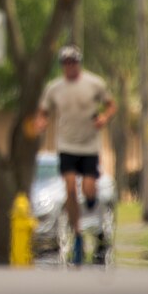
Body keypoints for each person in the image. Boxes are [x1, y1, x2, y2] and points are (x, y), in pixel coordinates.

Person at [34, 45, 117, 265]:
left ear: (79, 63)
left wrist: (104, 118)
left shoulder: (94, 83)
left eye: (73, 62)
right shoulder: (54, 88)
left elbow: (111, 105)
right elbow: (43, 111)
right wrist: (41, 122)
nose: (70, 66)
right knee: (70, 189)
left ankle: (91, 200)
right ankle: (78, 234)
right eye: (66, 63)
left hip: (89, 146)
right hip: (67, 145)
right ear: (62, 66)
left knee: (88, 189)